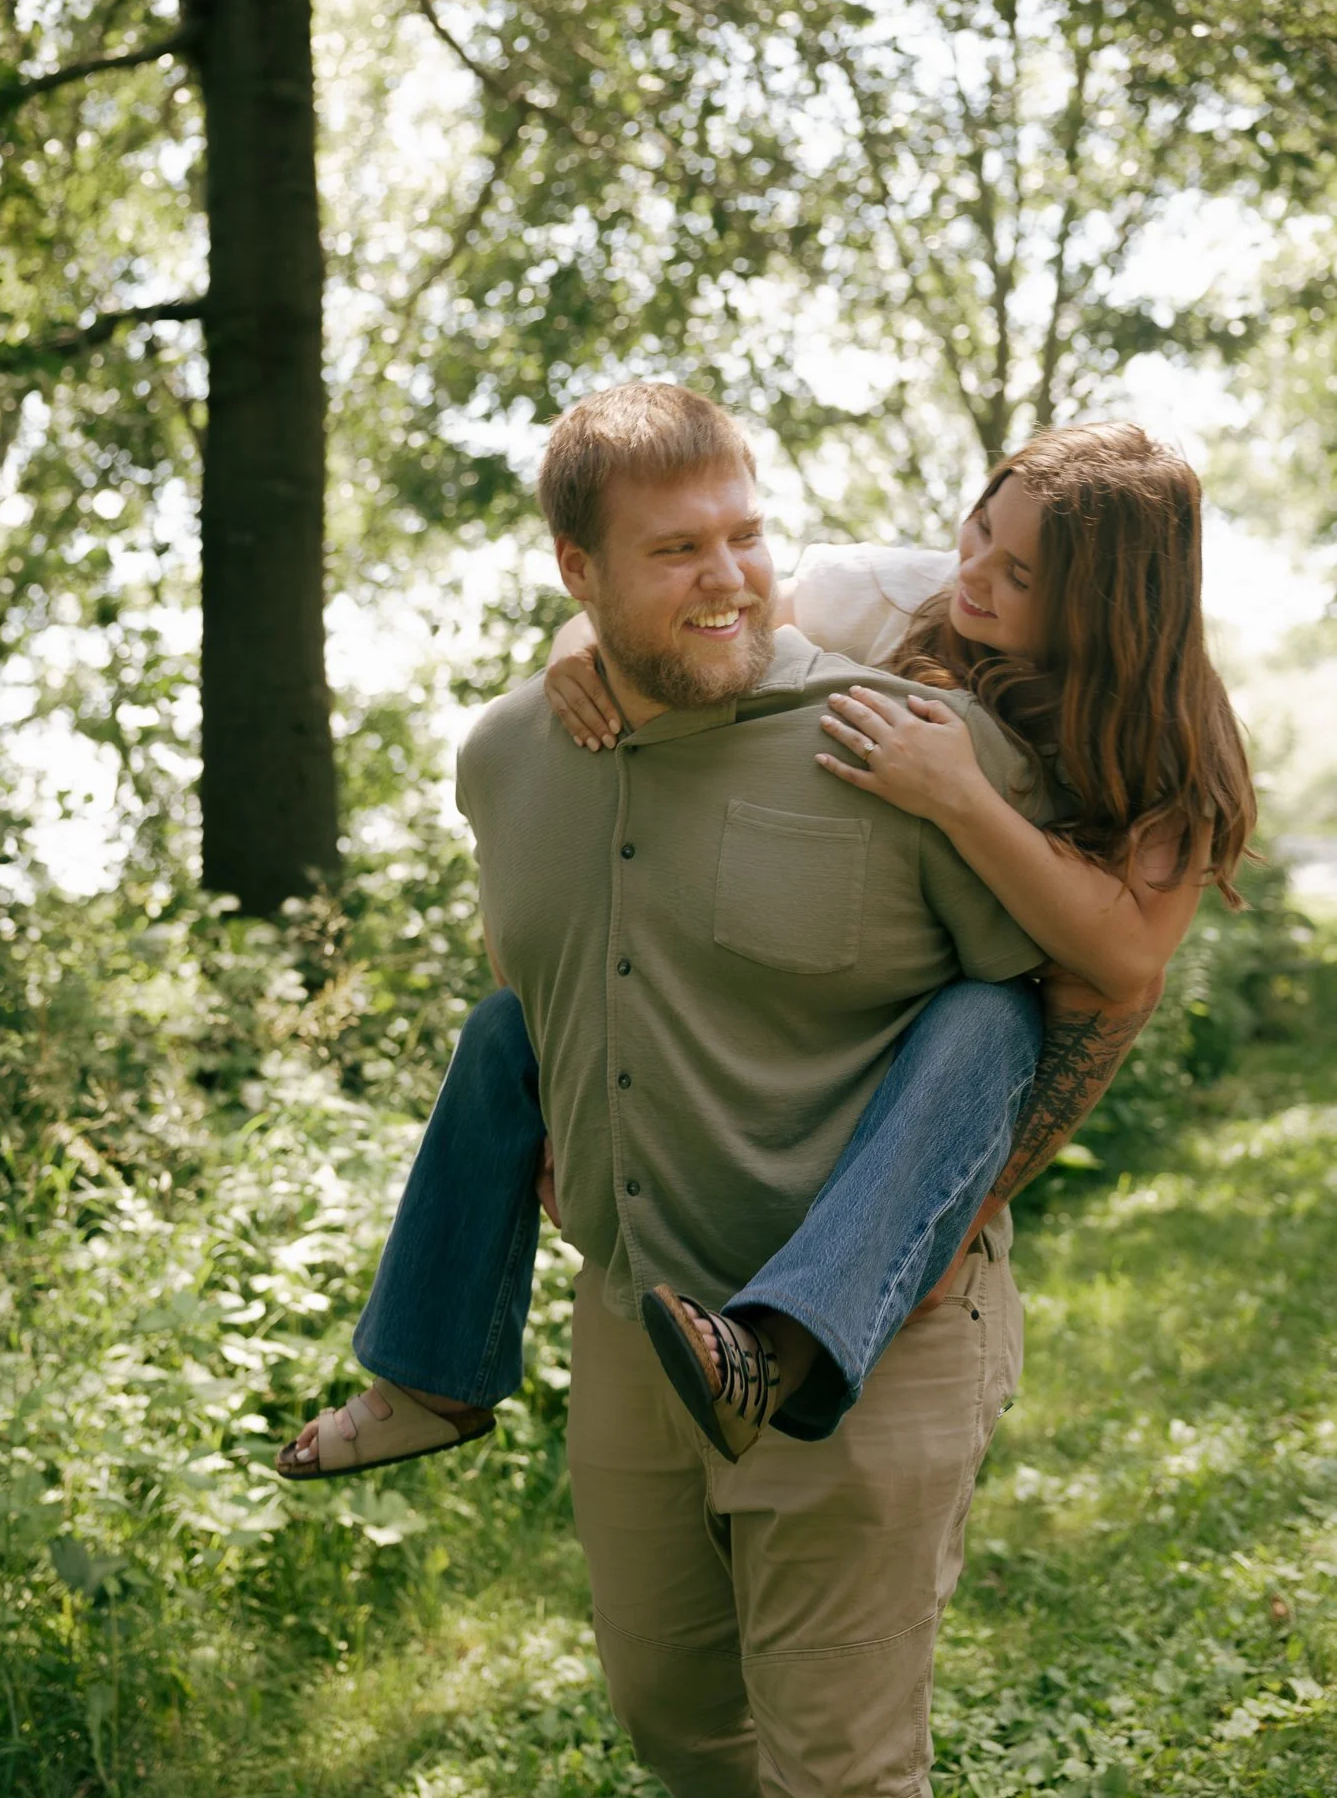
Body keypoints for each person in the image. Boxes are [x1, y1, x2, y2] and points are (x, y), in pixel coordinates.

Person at [276, 415, 1253, 1478]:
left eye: (1020, 573)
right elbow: (704, 618)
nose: (975, 574)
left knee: (988, 1014)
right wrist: (575, 651)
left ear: (1109, 608)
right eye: (979, 531)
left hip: (969, 1056)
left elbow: (1122, 966)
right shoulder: (888, 593)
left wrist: (964, 799)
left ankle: (782, 1346)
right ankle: (429, 1372)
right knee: (504, 1025)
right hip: (723, 1139)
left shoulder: (1168, 736)